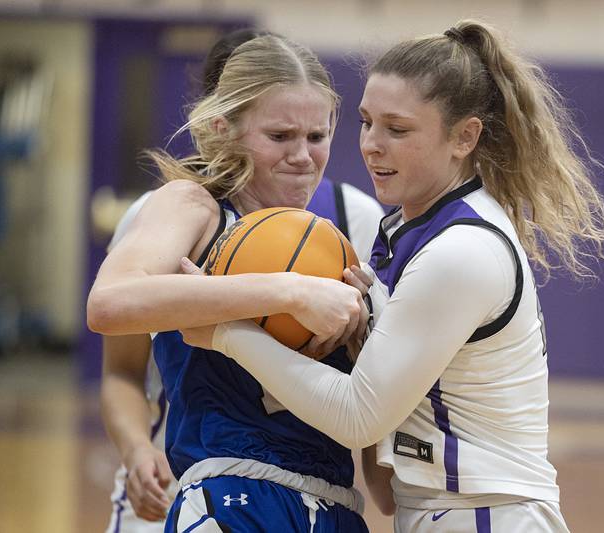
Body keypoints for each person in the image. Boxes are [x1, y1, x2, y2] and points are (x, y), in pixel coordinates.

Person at [184, 19, 604, 532]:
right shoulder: (403, 231)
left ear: (465, 137)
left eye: (397, 129)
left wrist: (225, 329)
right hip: (444, 510)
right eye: (366, 121)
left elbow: (358, 417)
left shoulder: (462, 250)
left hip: (486, 514)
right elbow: (383, 485)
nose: (371, 144)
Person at [100, 29, 384, 533]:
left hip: (333, 503)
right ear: (223, 129)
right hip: (228, 492)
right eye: (280, 136)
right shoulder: (192, 206)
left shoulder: (348, 227)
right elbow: (109, 303)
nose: (302, 155)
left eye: (316, 137)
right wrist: (289, 291)